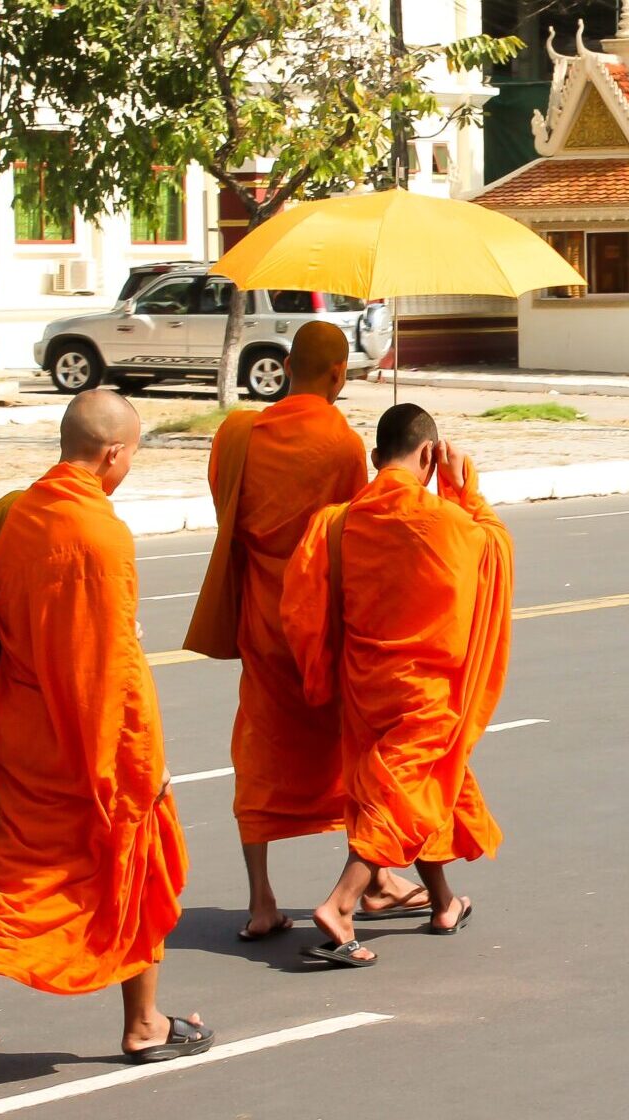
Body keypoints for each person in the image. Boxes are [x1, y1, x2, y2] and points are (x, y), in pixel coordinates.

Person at [0, 389, 207, 1102]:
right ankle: (143, 1026)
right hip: (92, 742)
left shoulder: (19, 514)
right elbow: (113, 665)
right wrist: (142, 759)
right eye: (131, 453)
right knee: (136, 862)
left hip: (26, 733)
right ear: (112, 454)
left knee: (11, 882)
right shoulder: (100, 534)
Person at [181, 322, 429, 944]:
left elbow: (228, 508)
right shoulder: (344, 446)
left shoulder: (236, 434)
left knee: (259, 749)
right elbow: (354, 531)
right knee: (352, 746)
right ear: (340, 375)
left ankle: (261, 899)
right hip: (317, 617)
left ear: (288, 365)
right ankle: (375, 880)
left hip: (261, 616)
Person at [283, 404, 514, 968]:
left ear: (372, 457)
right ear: (431, 455)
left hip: (365, 682)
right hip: (425, 689)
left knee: (419, 783)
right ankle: (340, 904)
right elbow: (495, 550)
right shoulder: (446, 521)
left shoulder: (337, 520)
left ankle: (441, 903)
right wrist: (465, 490)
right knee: (403, 790)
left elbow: (300, 609)